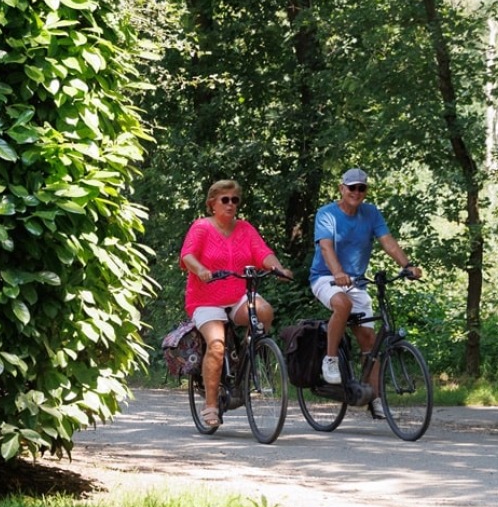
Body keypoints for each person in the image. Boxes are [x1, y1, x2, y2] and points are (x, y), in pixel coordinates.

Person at [180, 179, 294, 429]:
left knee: (263, 311)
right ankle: (210, 405)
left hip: (238, 295)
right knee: (217, 345)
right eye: (225, 200)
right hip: (206, 298)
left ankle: (248, 357)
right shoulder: (201, 227)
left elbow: (262, 252)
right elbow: (187, 255)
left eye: (235, 200)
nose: (231, 204)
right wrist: (200, 270)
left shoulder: (245, 228)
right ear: (212, 204)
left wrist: (278, 269)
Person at [308, 168, 421, 417]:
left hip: (356, 282)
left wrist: (407, 265)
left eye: (362, 188)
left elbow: (388, 241)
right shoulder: (327, 214)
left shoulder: (370, 213)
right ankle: (330, 360)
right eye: (352, 187)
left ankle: (377, 399)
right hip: (325, 278)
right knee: (342, 304)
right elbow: (326, 248)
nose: (356, 192)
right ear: (342, 188)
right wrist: (337, 272)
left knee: (370, 341)